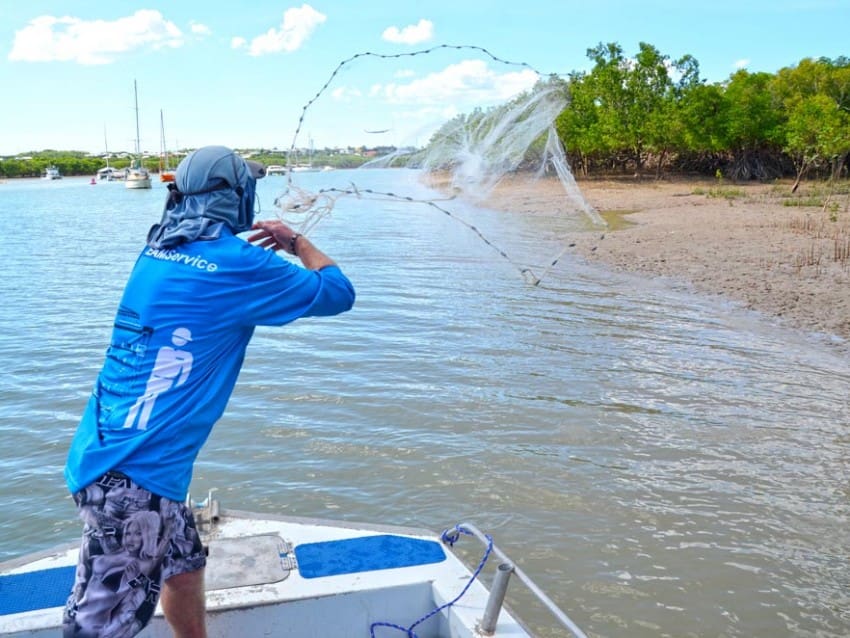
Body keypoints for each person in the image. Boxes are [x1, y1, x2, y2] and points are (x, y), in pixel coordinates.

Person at [63, 145, 356, 637]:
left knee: (184, 567)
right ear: (239, 195)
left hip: (109, 453)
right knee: (97, 625)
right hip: (136, 480)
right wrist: (295, 240)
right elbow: (338, 292)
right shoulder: (240, 264)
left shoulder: (159, 247)